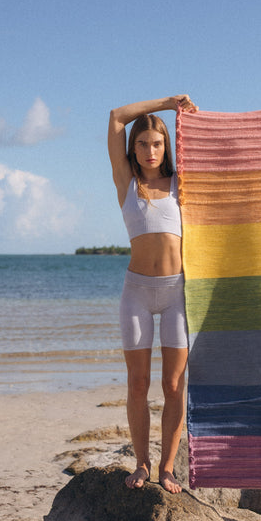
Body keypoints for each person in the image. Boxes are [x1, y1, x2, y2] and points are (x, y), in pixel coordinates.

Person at [108, 95, 198, 493]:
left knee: (175, 385)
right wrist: (166, 102)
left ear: (167, 147)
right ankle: (142, 464)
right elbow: (115, 118)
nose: (149, 151)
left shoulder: (183, 184)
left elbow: (225, 159)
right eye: (142, 144)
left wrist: (186, 117)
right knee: (138, 383)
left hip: (177, 292)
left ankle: (167, 468)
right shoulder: (128, 183)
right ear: (134, 149)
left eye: (157, 143)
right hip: (137, 292)